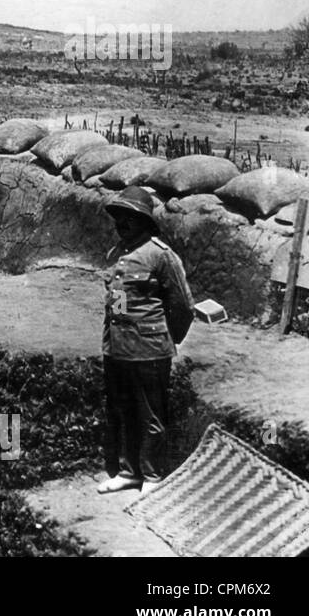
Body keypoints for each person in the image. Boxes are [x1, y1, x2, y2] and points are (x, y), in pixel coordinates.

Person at [97, 185, 195, 494]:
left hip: (150, 351)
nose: (122, 224)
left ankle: (152, 477)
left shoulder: (160, 256)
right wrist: (117, 336)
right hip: (118, 348)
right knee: (124, 411)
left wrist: (164, 339)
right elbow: (119, 301)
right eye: (120, 218)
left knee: (151, 416)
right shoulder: (117, 254)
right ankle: (129, 472)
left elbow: (183, 307)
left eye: (131, 218)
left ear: (144, 221)